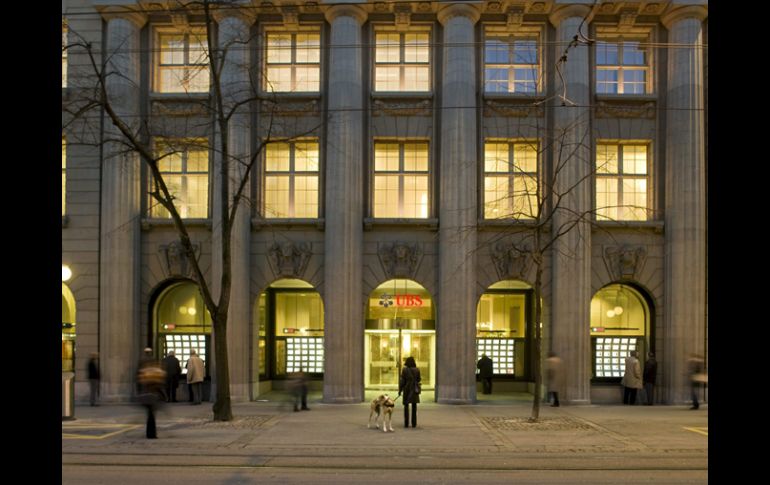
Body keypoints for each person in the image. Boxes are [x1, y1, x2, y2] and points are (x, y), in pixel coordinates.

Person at [136, 348, 165, 439]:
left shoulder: (142, 365)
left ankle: (150, 433)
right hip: (153, 395)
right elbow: (159, 383)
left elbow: (139, 380)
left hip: (146, 394)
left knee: (150, 415)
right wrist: (163, 395)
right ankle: (151, 434)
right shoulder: (155, 370)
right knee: (151, 415)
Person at [399, 356, 421, 428]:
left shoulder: (404, 370)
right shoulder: (417, 370)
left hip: (407, 389)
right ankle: (414, 423)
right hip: (414, 389)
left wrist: (400, 390)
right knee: (414, 406)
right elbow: (419, 379)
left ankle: (406, 423)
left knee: (406, 406)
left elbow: (402, 381)